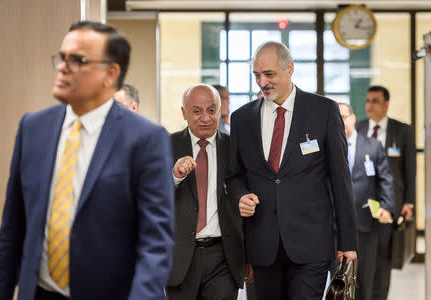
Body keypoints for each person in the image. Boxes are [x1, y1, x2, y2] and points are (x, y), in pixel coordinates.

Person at [0, 21, 174, 300]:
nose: (63, 67)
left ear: (111, 73)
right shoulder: (33, 128)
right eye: (62, 57)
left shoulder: (146, 139)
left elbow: (155, 244)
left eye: (78, 60)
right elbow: (12, 233)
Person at [226, 41, 357, 300]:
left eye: (269, 74)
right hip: (262, 246)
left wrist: (348, 243)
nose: (262, 82)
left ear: (290, 69)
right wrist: (240, 195)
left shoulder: (323, 111)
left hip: (312, 245)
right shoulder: (242, 118)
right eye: (256, 75)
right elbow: (234, 175)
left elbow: (341, 180)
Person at [166, 83, 245, 300]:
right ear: (184, 113)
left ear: (220, 111)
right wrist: (174, 177)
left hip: (223, 256)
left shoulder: (235, 148)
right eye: (196, 111)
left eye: (211, 110)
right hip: (180, 257)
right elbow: (151, 198)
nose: (205, 118)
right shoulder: (166, 145)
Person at [355, 85, 416, 300]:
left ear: (386, 104)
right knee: (362, 259)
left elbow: (410, 169)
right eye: (368, 100)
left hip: (390, 205)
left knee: (383, 260)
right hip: (362, 207)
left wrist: (409, 202)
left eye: (375, 101)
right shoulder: (358, 128)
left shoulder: (403, 131)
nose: (370, 105)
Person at [339, 103, 395, 300]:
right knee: (337, 279)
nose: (341, 121)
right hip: (334, 226)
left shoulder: (372, 146)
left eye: (344, 116)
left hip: (366, 223)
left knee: (365, 277)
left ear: (353, 118)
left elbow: (385, 178)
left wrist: (387, 207)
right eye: (336, 118)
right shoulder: (328, 147)